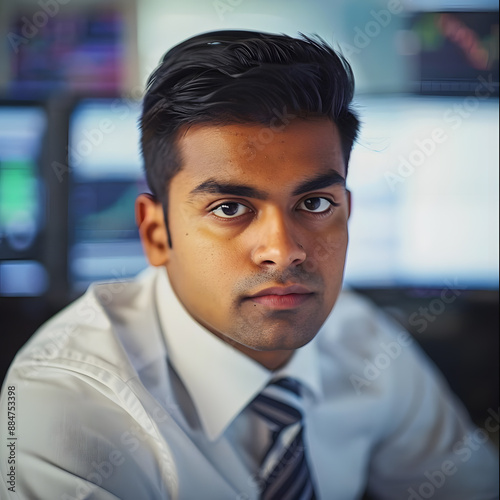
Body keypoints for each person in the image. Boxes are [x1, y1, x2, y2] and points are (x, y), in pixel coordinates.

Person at [0, 30, 498, 500]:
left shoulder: (364, 341)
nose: (283, 251)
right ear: (156, 232)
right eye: (230, 208)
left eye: (316, 204)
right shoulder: (62, 403)